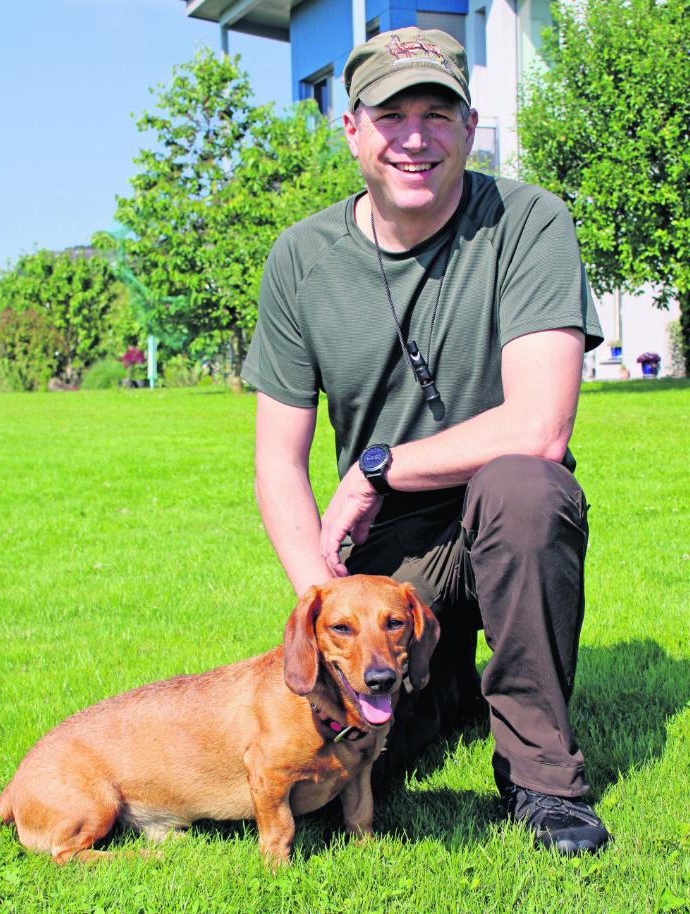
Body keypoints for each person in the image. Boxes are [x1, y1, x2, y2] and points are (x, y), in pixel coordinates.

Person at [242, 26, 609, 855]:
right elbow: (277, 460)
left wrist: (379, 468)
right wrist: (319, 603)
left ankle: (543, 783)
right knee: (363, 753)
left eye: (437, 113)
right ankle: (444, 693)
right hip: (393, 553)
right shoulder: (301, 260)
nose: (415, 136)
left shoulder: (528, 222)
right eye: (390, 113)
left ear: (470, 128)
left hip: (505, 514)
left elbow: (541, 425)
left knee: (526, 488)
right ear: (351, 130)